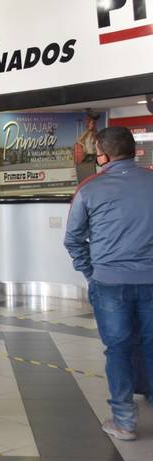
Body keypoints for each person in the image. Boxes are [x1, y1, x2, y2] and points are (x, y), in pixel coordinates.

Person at [64, 127, 153, 441]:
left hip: (109, 283)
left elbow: (73, 240)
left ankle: (124, 421)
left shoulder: (90, 188)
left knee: (118, 349)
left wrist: (91, 272)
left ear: (102, 154)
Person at [74, 112, 101, 183]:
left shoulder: (95, 133)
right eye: (91, 124)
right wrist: (83, 145)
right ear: (88, 124)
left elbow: (96, 143)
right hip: (88, 154)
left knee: (91, 168)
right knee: (85, 168)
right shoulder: (87, 132)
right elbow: (78, 140)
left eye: (93, 124)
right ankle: (86, 181)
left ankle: (91, 181)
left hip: (93, 154)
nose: (92, 125)